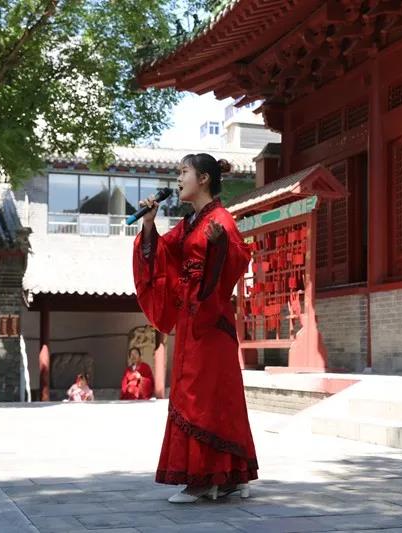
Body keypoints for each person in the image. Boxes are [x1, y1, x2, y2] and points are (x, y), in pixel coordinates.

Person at [133, 153, 257, 504]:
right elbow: (163, 254)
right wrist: (148, 225)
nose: (178, 179)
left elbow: (236, 261)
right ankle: (228, 476)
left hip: (211, 321)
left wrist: (219, 247)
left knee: (201, 397)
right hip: (192, 320)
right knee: (206, 396)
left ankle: (204, 479)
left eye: (183, 172)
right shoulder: (190, 223)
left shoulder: (221, 220)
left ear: (203, 179)